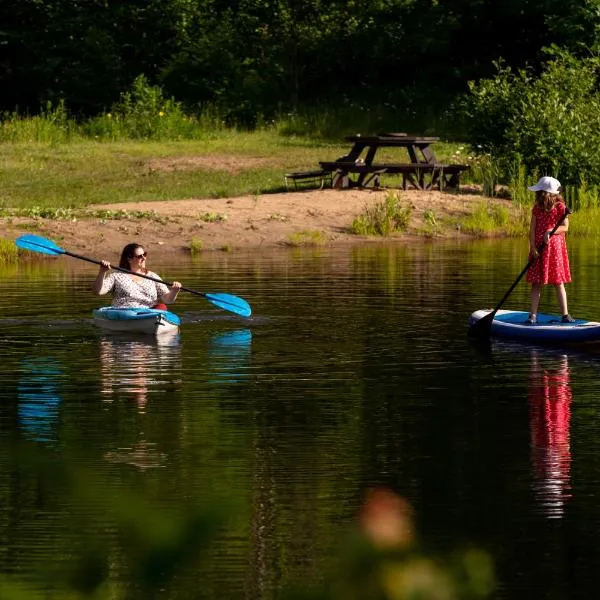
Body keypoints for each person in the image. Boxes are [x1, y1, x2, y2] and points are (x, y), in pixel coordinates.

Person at [525, 176, 573, 325]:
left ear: (547, 193)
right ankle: (532, 316)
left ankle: (565, 315)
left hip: (555, 249)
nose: (538, 194)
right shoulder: (537, 208)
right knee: (536, 282)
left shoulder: (560, 207)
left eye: (540, 191)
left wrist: (551, 230)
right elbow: (532, 229)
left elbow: (565, 226)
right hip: (538, 249)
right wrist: (532, 247)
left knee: (558, 282)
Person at [93, 243, 181, 309]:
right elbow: (98, 291)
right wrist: (102, 272)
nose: (144, 258)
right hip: (124, 314)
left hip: (148, 314)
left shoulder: (153, 276)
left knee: (162, 307)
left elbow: (167, 299)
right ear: (129, 259)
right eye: (140, 256)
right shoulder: (116, 276)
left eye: (145, 254)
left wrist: (174, 291)